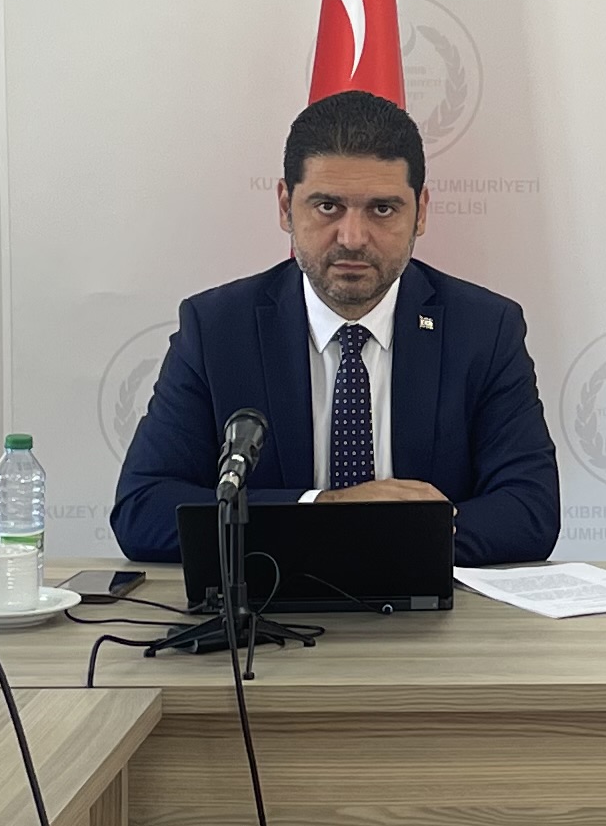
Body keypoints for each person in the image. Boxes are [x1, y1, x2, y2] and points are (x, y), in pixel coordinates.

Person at [112, 89, 559, 568]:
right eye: (327, 206)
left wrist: (386, 538)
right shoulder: (217, 330)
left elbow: (530, 511)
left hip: (426, 609)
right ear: (285, 206)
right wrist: (326, 511)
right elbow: (143, 509)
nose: (352, 237)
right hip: (269, 607)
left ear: (421, 212)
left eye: (382, 209)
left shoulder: (484, 330)